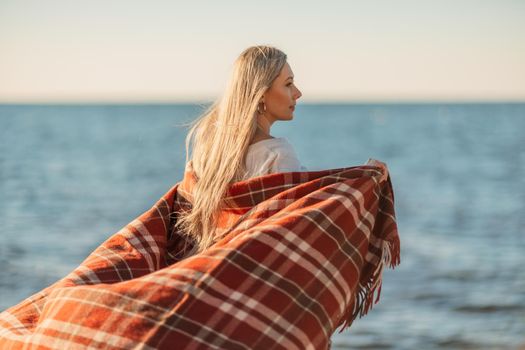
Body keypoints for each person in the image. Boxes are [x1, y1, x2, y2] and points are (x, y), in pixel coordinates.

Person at [173, 45, 307, 257]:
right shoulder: (278, 154)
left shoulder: (209, 149)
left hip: (201, 261)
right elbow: (293, 232)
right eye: (288, 84)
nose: (298, 93)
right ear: (261, 95)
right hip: (246, 270)